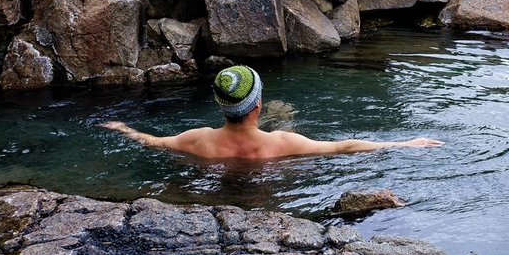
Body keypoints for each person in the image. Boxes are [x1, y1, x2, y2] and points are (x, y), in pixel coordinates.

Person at [102, 66, 442, 161]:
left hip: (217, 178)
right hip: (267, 178)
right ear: (257, 105)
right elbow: (344, 147)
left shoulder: (197, 140)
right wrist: (404, 144)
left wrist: (123, 129)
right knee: (288, 122)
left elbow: (152, 142)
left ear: (221, 105)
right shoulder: (282, 142)